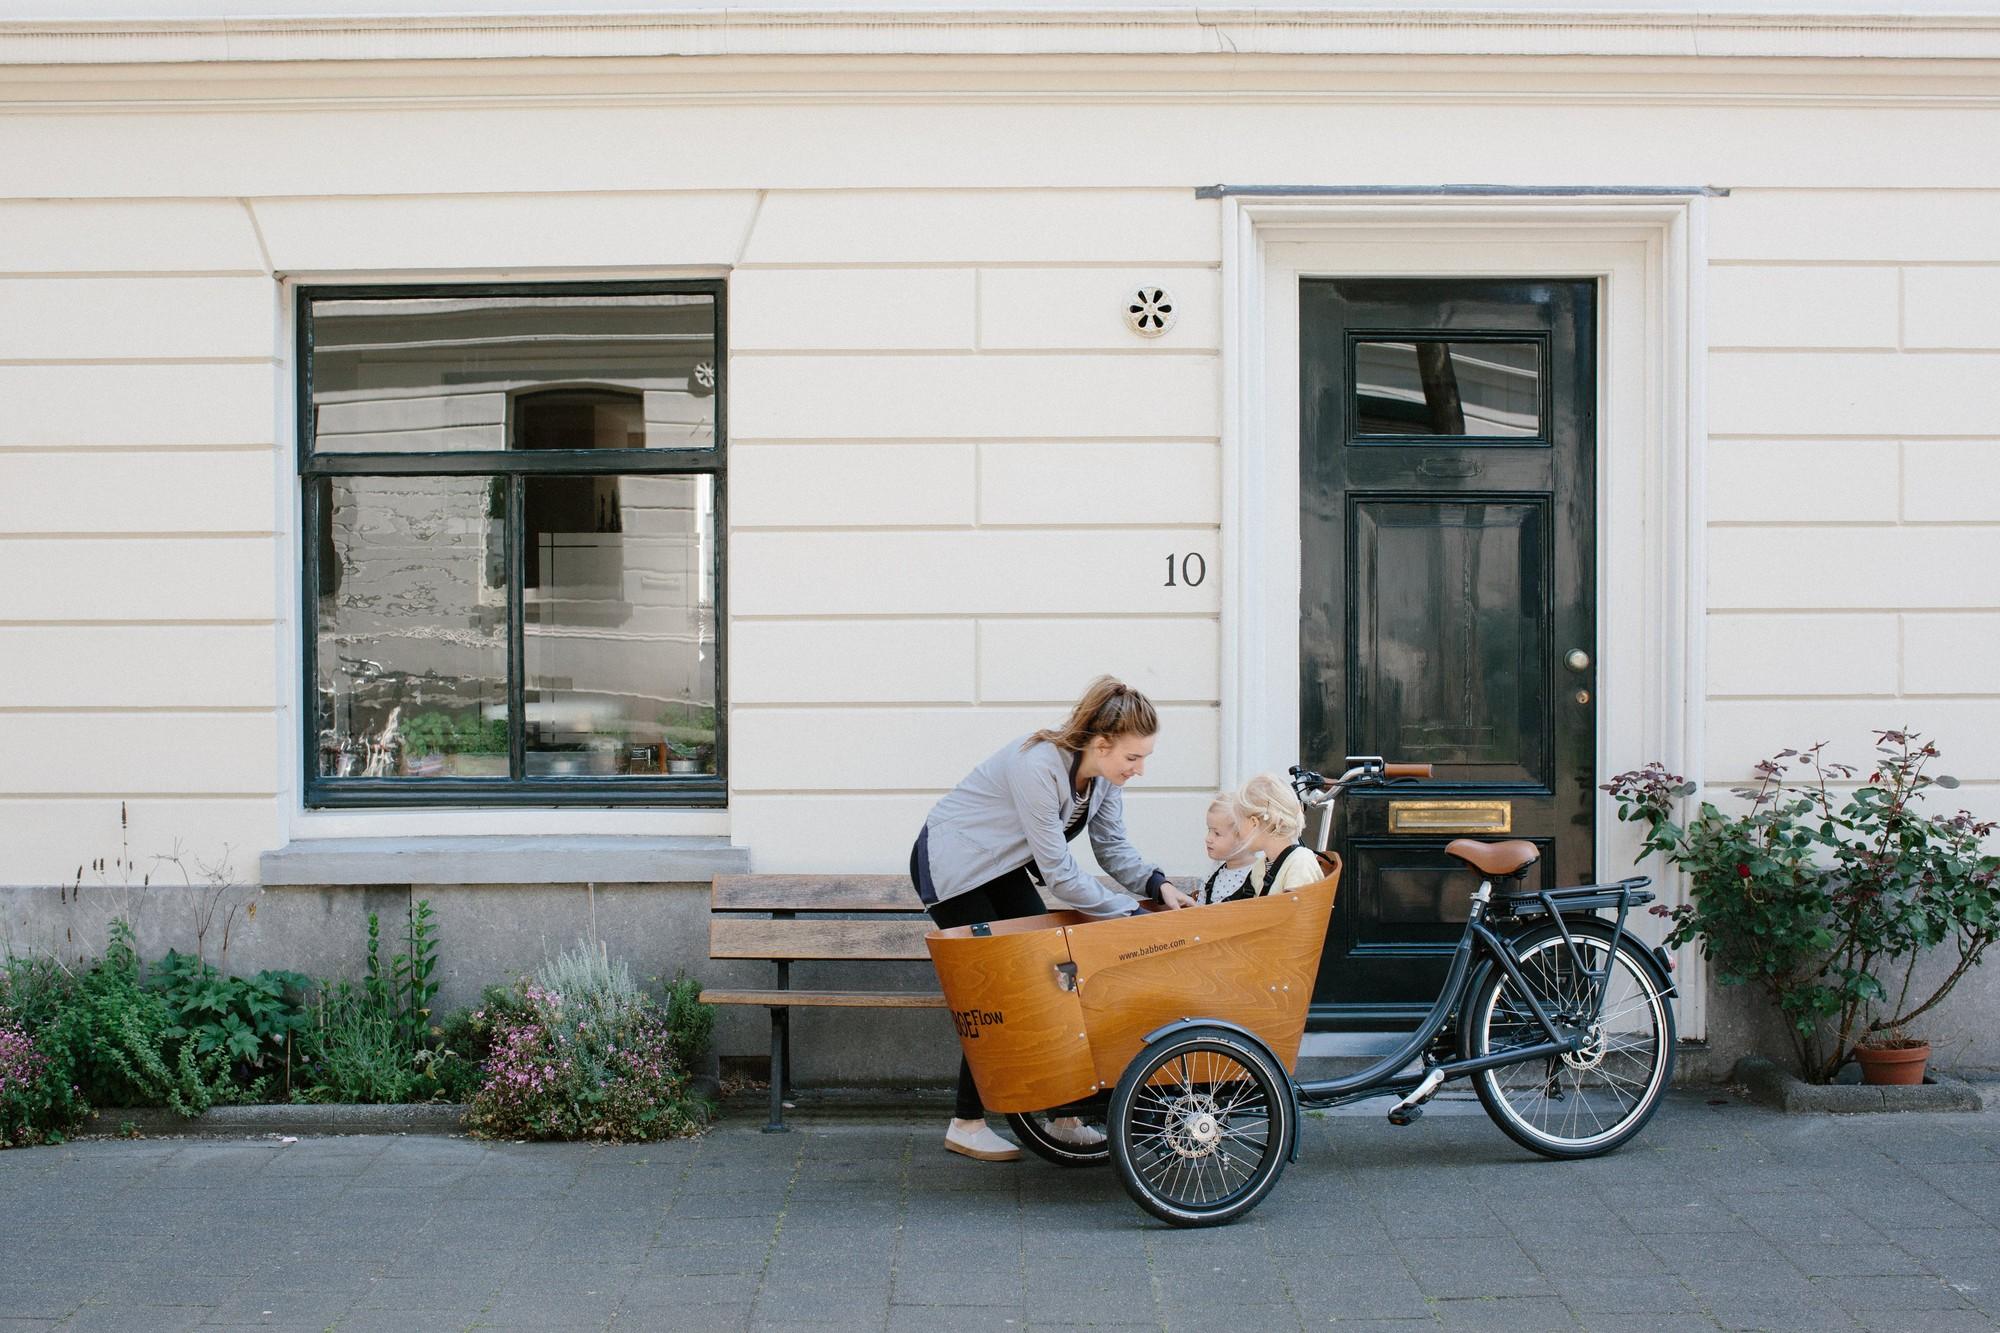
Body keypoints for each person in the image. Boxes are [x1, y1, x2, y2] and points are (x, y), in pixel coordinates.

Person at [910, 675, 1197, 1162]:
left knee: (1053, 979)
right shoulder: (1038, 765)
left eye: (1144, 756)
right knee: (1003, 988)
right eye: (1133, 757)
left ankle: (1064, 1116)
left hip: (998, 868)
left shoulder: (1103, 779)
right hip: (955, 866)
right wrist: (1127, 914)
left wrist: (1158, 887)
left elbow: (1111, 848)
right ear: (1102, 744)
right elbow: (1060, 876)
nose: (1141, 769)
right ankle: (967, 1121)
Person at [1234, 772, 1327, 897]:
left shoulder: (1300, 863)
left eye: (1238, 823)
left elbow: (1296, 914)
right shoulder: (1260, 866)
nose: (1237, 831)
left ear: (1254, 823)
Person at [1196, 793, 1261, 905]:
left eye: (1217, 833)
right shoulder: (1213, 873)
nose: (1208, 839)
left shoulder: (1259, 873)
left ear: (1244, 837)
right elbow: (1199, 913)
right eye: (1209, 830)